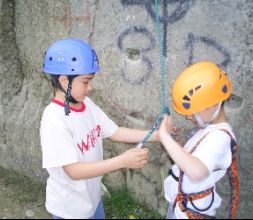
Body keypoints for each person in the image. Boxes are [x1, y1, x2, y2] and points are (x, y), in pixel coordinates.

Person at [40, 38, 158, 219]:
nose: (90, 88)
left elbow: (115, 131)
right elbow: (74, 171)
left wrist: (156, 135)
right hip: (70, 210)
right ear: (64, 81)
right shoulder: (54, 120)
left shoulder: (87, 105)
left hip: (92, 200)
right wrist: (122, 161)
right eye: (86, 81)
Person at [157, 61, 239, 219]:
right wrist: (172, 142)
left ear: (214, 104)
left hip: (191, 213)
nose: (188, 117)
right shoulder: (209, 129)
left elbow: (196, 172)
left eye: (193, 112)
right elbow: (193, 160)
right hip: (182, 206)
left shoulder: (220, 138)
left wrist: (165, 137)